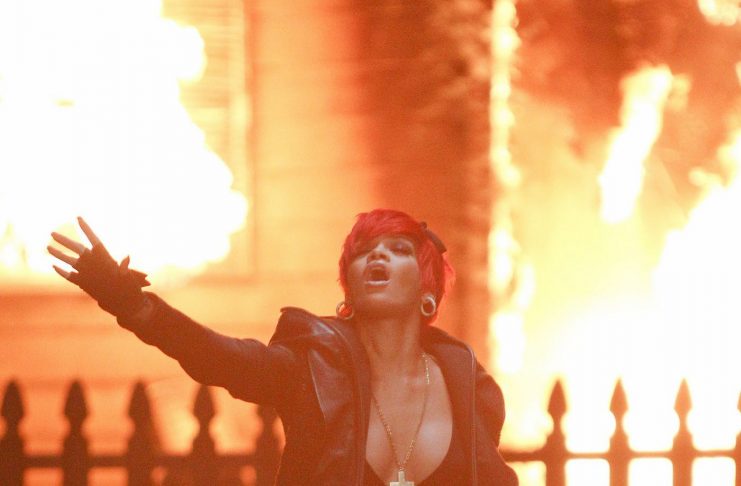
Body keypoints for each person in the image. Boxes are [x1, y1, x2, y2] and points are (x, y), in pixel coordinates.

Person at [47, 209, 518, 485]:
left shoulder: (469, 387)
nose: (378, 254)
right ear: (349, 293)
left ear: (427, 291)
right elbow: (219, 357)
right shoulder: (312, 365)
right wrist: (134, 305)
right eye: (363, 251)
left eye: (399, 249)